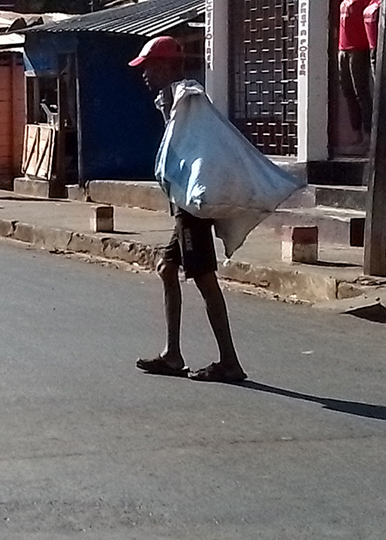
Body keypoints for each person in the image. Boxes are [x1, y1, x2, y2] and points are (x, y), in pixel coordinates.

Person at [129, 36, 246, 383]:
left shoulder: (188, 97)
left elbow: (200, 147)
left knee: (204, 278)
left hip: (191, 207)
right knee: (167, 268)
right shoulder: (170, 100)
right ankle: (172, 354)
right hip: (183, 204)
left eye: (150, 67)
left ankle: (229, 362)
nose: (145, 74)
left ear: (167, 66)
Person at [341, 0, 375, 144]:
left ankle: (369, 133)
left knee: (361, 92)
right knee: (348, 91)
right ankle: (357, 132)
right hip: (343, 48)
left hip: (359, 48)